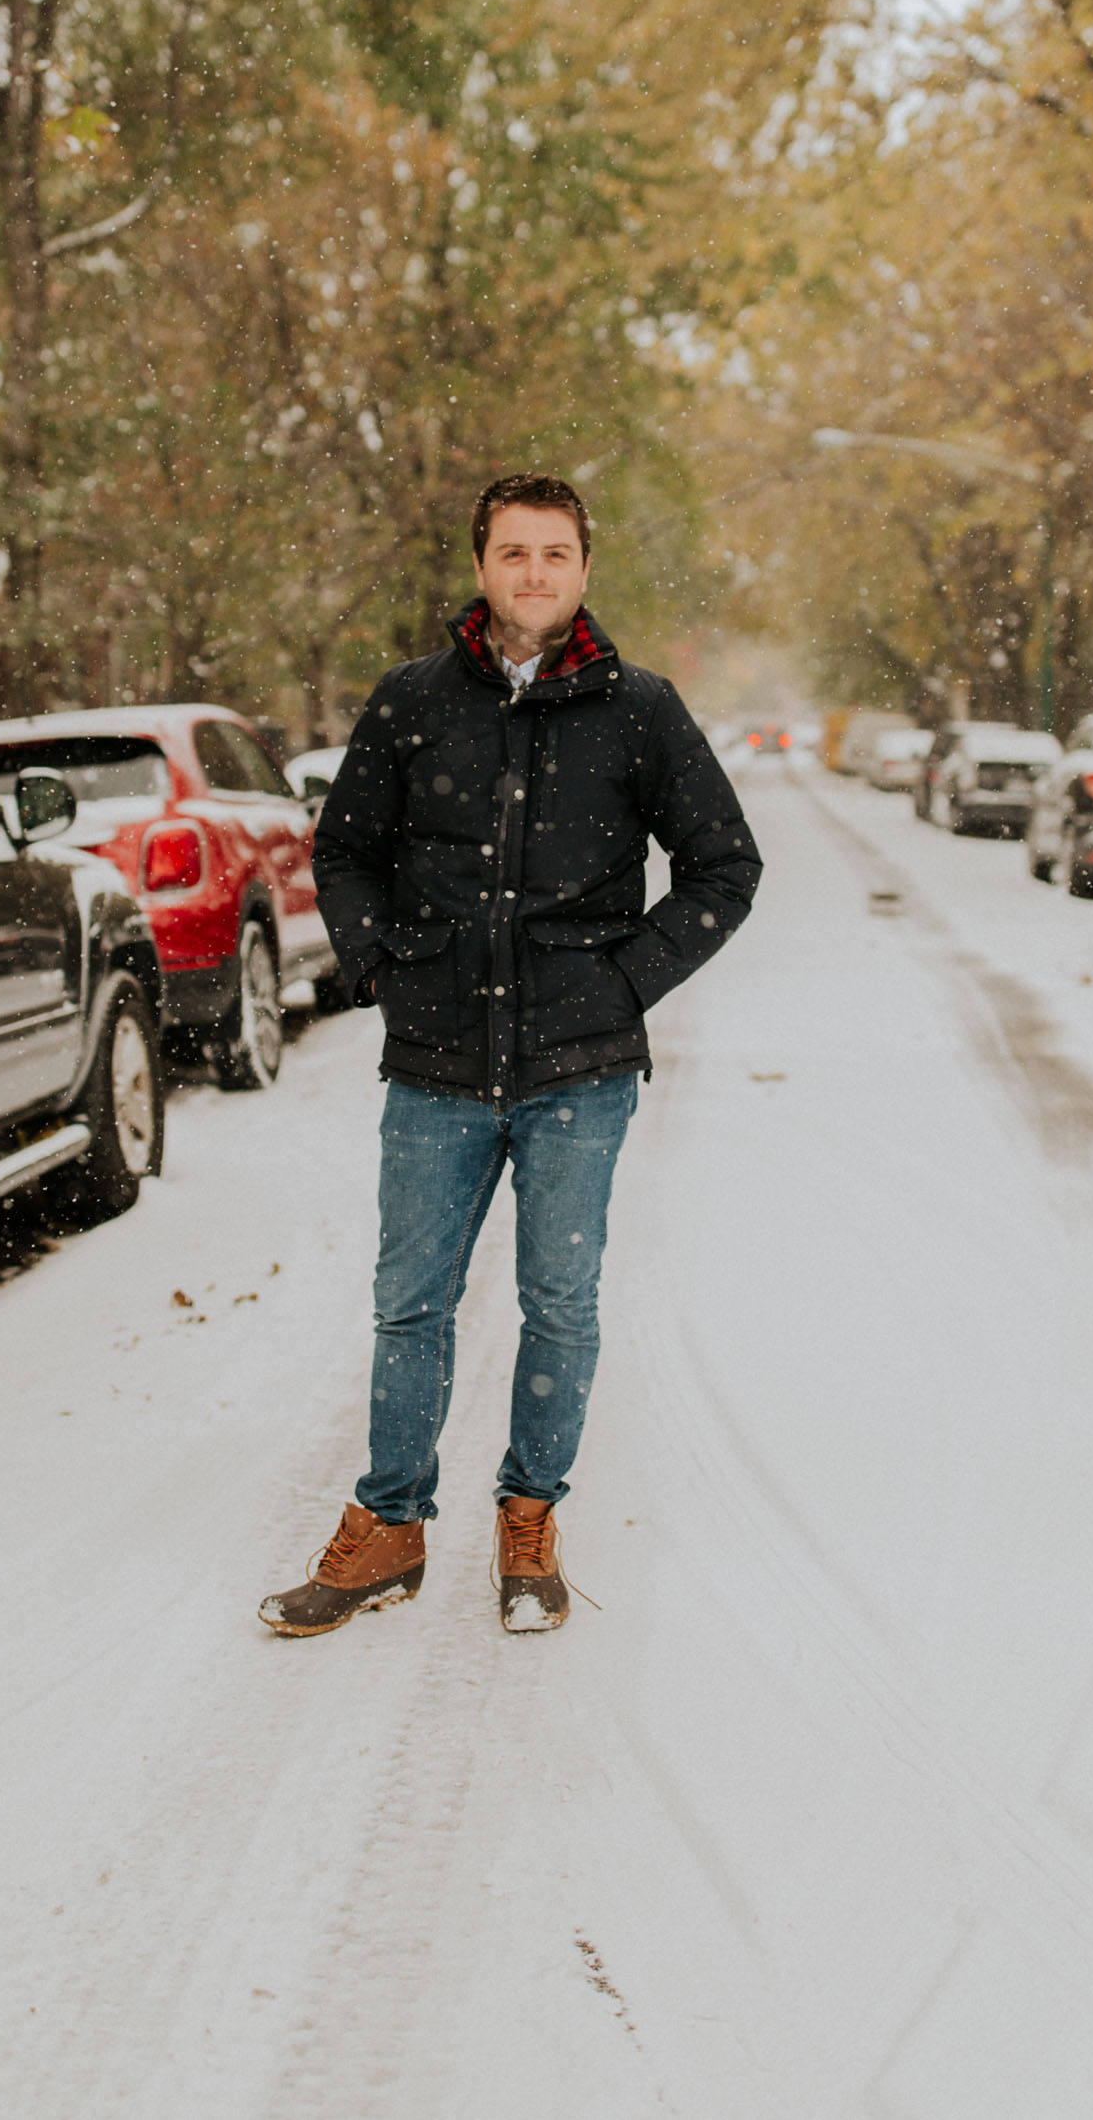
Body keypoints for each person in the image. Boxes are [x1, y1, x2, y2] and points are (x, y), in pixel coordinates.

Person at [259, 472, 761, 1637]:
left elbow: (724, 867)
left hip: (579, 1072)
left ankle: (529, 1515)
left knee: (561, 1303)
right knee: (409, 1302)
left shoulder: (641, 713)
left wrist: (627, 979)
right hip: (436, 1062)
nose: (533, 572)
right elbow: (345, 852)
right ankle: (389, 1526)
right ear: (481, 565)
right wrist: (381, 967)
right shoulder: (412, 702)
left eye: (555, 554)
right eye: (513, 552)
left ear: (584, 570)